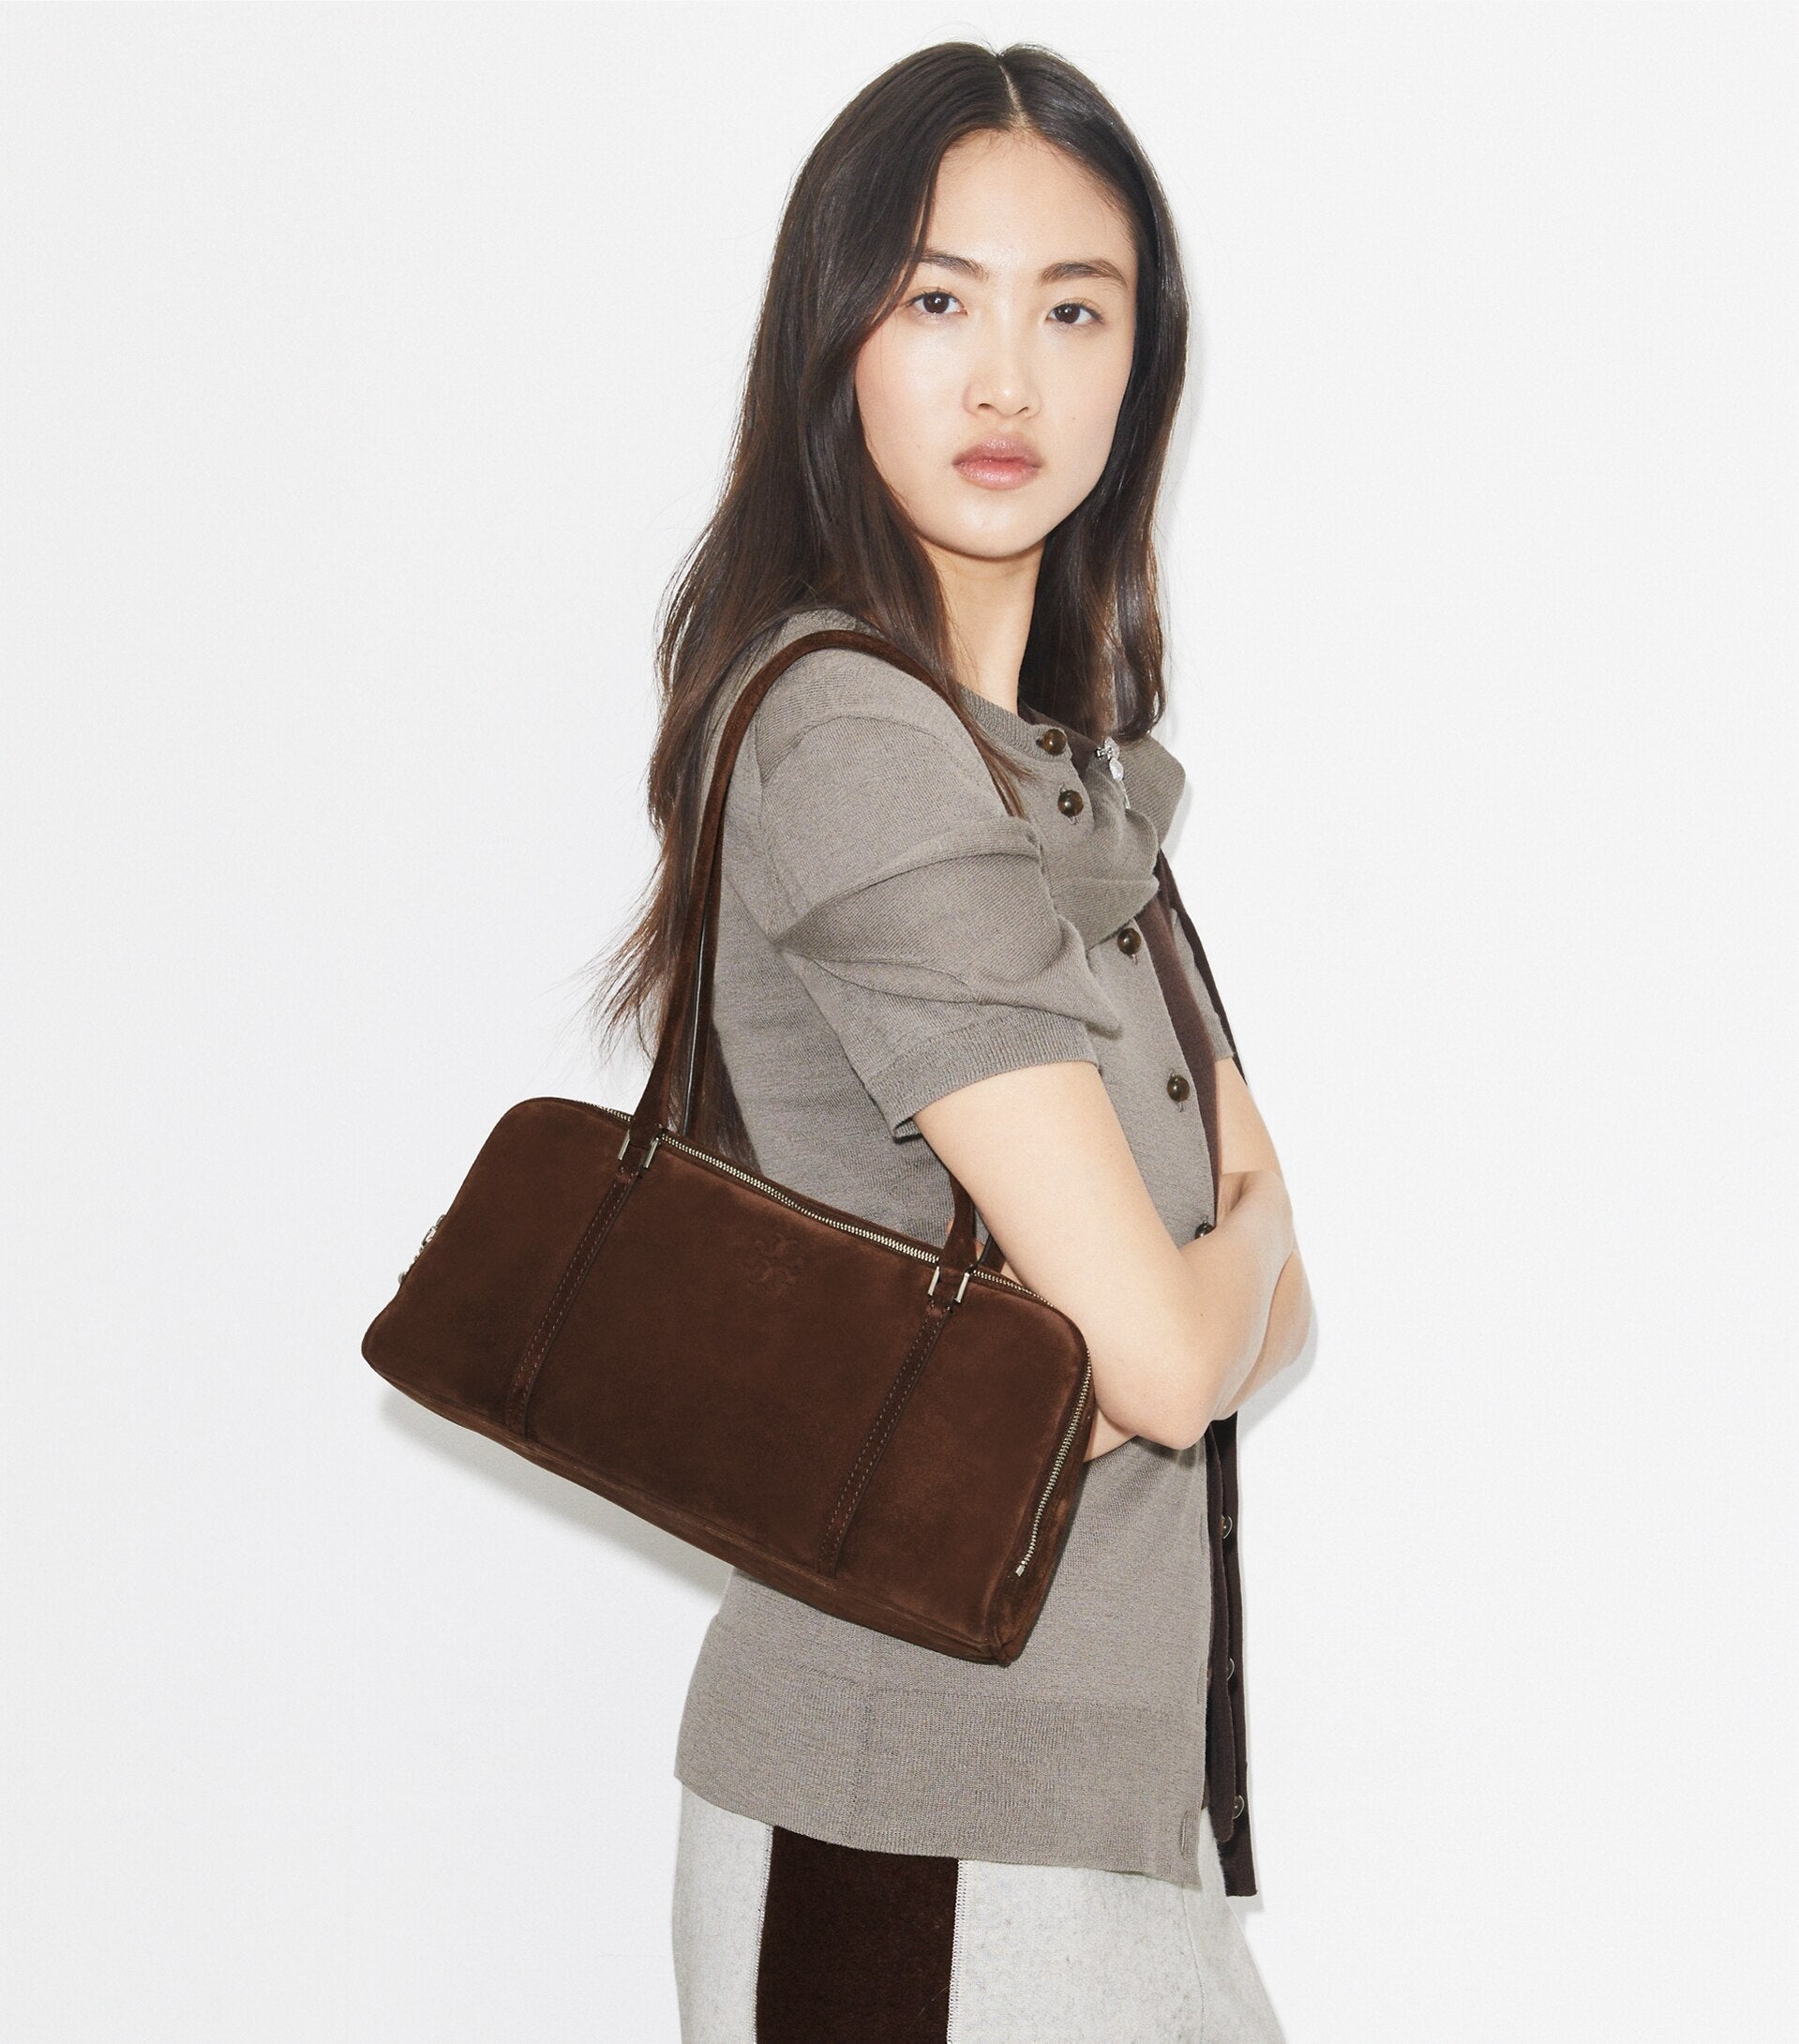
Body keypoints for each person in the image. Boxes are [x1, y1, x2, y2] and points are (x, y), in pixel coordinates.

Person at [587, 38, 1314, 2042]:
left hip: (1103, 1826)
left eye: (1073, 311)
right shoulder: (850, 738)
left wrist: (1208, 1293)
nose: (1007, 381)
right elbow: (1181, 1346)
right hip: (909, 1830)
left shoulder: (1072, 785)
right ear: (832, 339)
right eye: (935, 301)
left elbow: (1251, 1322)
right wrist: (1237, 1250)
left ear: (1141, 367)